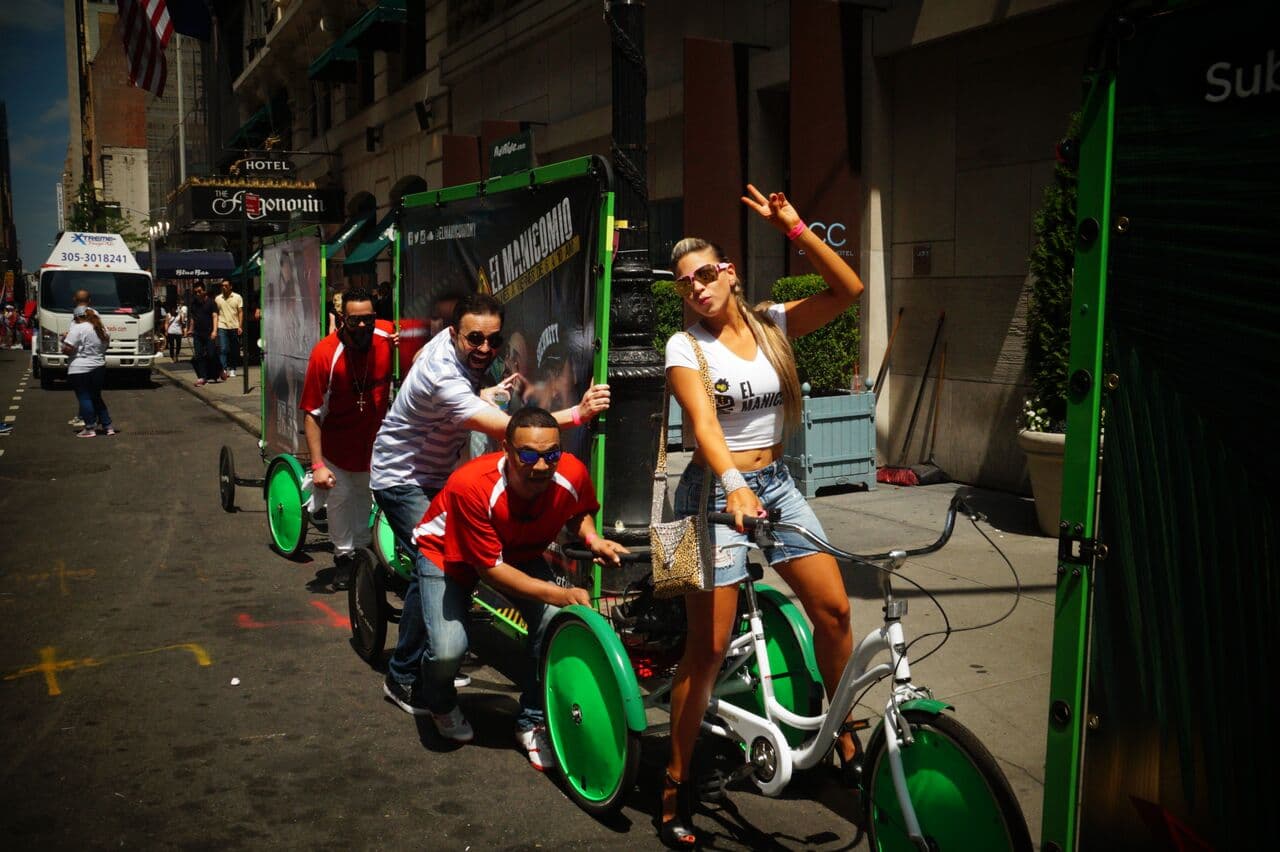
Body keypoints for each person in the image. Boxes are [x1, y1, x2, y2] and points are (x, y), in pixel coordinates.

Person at [657, 185, 865, 848]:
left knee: (835, 613)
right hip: (709, 495)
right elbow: (703, 425)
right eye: (685, 282)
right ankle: (676, 781)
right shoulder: (684, 347)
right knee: (708, 648)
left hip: (776, 484)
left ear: (729, 272)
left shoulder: (772, 323)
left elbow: (849, 290)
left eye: (705, 273)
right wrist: (732, 486)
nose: (696, 287)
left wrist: (796, 228)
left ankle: (845, 732)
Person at [373, 293, 611, 719]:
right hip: (402, 476)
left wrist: (480, 392)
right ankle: (404, 673)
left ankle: (443, 647)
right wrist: (578, 413)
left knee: (452, 573)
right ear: (455, 334)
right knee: (431, 563)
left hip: (439, 471)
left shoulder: (450, 348)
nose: (485, 348)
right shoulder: (443, 376)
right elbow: (515, 432)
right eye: (475, 339)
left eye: (493, 339)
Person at [398, 407, 628, 768]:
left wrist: (592, 538)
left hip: (516, 551)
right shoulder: (471, 485)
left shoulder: (571, 472)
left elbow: (578, 510)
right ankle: (439, 702)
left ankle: (532, 720)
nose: (541, 465)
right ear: (506, 449)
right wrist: (561, 593)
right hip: (447, 553)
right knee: (447, 650)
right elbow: (491, 571)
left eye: (551, 454)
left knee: (551, 621)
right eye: (528, 455)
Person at [299, 286, 395, 592]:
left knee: (366, 499)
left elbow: (427, 340)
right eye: (355, 321)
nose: (363, 326)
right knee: (340, 500)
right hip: (336, 448)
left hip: (374, 446)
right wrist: (317, 465)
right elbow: (312, 413)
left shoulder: (387, 335)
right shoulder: (325, 354)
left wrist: (407, 344)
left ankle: (365, 557)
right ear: (342, 320)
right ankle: (343, 558)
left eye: (369, 319)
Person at [63, 305, 115, 437]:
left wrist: (63, 340)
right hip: (98, 366)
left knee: (84, 397)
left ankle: (90, 428)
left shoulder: (78, 328)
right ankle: (108, 426)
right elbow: (105, 347)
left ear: (77, 317)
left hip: (79, 368)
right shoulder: (102, 329)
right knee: (96, 396)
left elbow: (67, 349)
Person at [67, 289, 93, 428]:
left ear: (74, 299)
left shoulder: (77, 315)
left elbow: (74, 336)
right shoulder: (94, 314)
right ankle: (84, 416)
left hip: (80, 360)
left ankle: (87, 420)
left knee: (84, 394)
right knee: (88, 393)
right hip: (94, 360)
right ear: (90, 300)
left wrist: (66, 340)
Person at [188, 282, 219, 386]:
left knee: (211, 354)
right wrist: (190, 329)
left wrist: (214, 331)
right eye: (195, 292)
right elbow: (193, 318)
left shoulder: (211, 303)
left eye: (199, 291)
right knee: (199, 355)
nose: (197, 294)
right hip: (197, 333)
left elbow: (215, 316)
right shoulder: (194, 303)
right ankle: (202, 377)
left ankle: (219, 368)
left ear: (204, 291)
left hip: (209, 332)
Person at [214, 279, 244, 379]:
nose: (224, 287)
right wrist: (215, 328)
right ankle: (223, 369)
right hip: (222, 325)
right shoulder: (218, 298)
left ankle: (233, 368)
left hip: (234, 326)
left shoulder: (237, 297)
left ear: (231, 286)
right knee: (223, 348)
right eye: (222, 285)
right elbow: (215, 313)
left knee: (234, 349)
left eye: (226, 285)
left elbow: (240, 312)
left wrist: (240, 326)